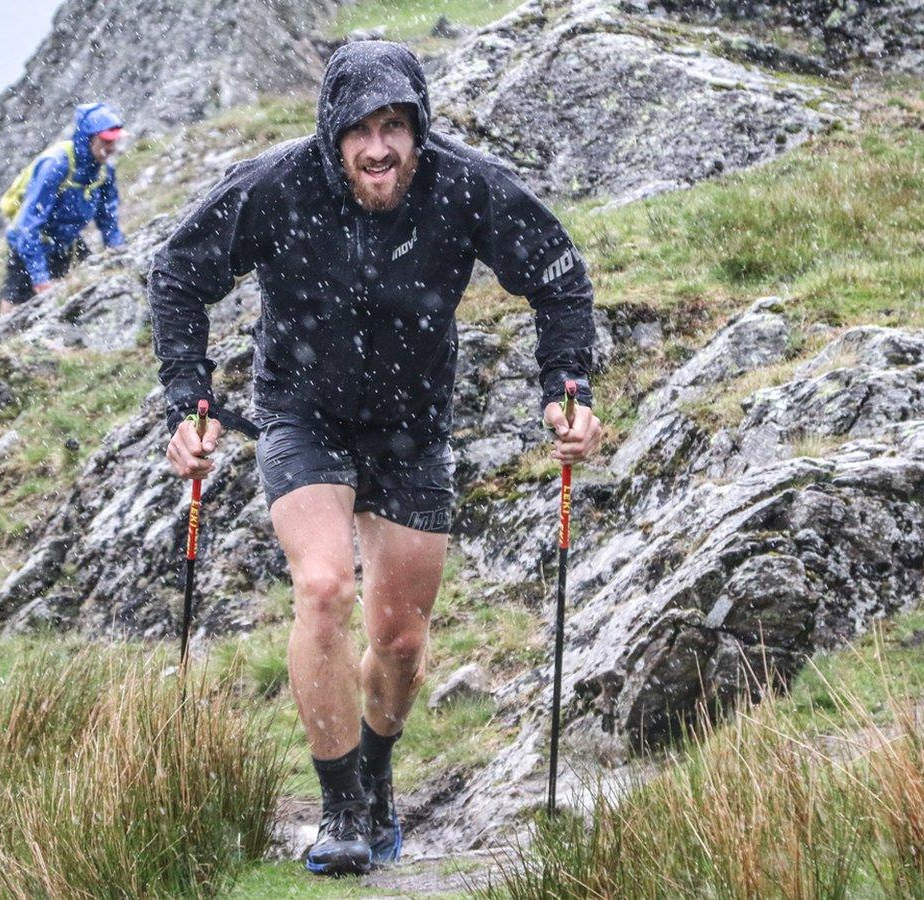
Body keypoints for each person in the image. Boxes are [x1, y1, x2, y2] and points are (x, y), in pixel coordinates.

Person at [148, 41, 603, 876]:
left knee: (396, 642)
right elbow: (178, 274)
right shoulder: (277, 187)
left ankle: (378, 776)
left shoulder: (465, 187)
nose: (377, 148)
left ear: (418, 128)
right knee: (322, 589)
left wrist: (567, 388)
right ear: (333, 135)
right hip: (303, 416)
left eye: (394, 126)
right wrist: (190, 403)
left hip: (412, 429)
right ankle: (341, 811)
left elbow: (558, 278)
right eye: (359, 131)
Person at [0, 102, 127, 313]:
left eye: (114, 142)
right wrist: (40, 278)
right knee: (15, 304)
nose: (111, 149)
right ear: (89, 138)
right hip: (30, 242)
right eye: (106, 141)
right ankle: (0, 342)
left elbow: (107, 217)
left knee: (83, 289)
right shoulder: (56, 165)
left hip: (66, 241)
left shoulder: (104, 172)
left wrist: (117, 250)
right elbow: (29, 224)